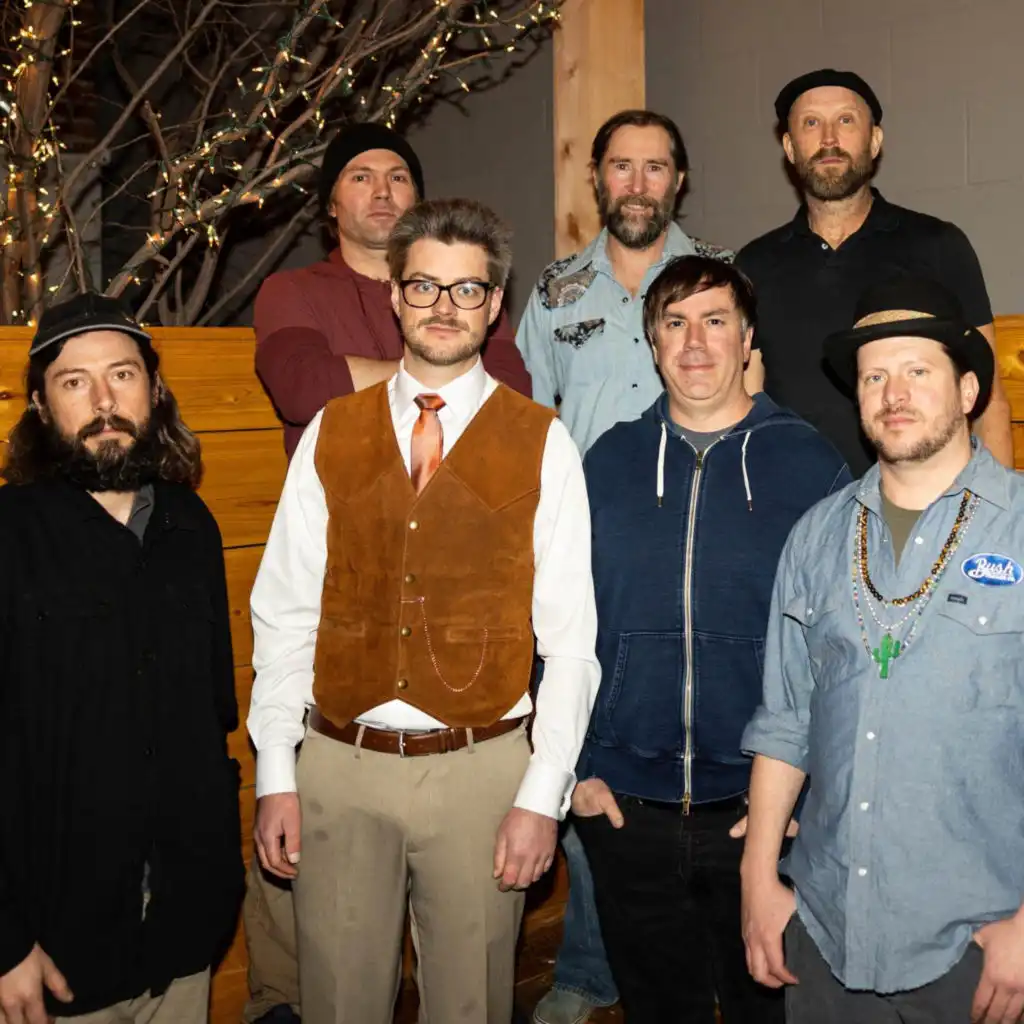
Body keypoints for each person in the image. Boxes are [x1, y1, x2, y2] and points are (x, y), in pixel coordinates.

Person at [247, 197, 600, 1024]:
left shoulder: (543, 441)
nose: (444, 306)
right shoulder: (331, 430)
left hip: (480, 769)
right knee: (338, 1005)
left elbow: (572, 643)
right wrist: (277, 773)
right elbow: (285, 613)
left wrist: (540, 795)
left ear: (494, 305)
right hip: (339, 764)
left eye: (467, 289)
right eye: (424, 286)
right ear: (395, 296)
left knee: (471, 1007)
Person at [571, 255, 848, 1022]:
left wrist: (812, 794)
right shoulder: (606, 463)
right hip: (625, 811)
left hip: (763, 814)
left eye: (716, 321)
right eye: (675, 323)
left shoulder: (810, 465)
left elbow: (845, 649)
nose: (695, 343)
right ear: (653, 343)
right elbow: (557, 621)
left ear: (748, 339)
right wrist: (579, 771)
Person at [740, 276, 1024, 1023]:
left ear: (968, 391)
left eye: (917, 371)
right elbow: (785, 721)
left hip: (980, 947)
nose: (893, 393)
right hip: (825, 935)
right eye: (874, 377)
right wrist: (757, 880)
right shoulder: (817, 534)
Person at [516, 108, 734, 1024]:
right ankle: (587, 967)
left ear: (678, 179)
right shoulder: (554, 292)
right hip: (591, 557)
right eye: (621, 166)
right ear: (598, 178)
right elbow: (528, 422)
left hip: (698, 549)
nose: (638, 184)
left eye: (655, 166)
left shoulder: (722, 276)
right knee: (581, 750)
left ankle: (714, 957)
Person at [0, 293, 243, 1023]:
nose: (104, 402)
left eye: (122, 374)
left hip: (184, 931)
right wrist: (5, 941)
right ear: (40, 405)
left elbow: (212, 717)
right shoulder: (9, 537)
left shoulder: (191, 526)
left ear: (155, 389)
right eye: (74, 381)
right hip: (53, 951)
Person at [736, 68, 1012, 477]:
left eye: (846, 120)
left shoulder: (938, 246)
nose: (829, 138)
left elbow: (989, 400)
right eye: (811, 123)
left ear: (875, 140)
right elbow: (746, 405)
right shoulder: (754, 264)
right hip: (792, 504)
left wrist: (1002, 510)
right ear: (790, 148)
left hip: (923, 503)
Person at [254, 122, 530, 459]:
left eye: (398, 178)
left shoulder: (465, 288)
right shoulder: (292, 289)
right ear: (331, 203)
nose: (382, 192)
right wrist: (447, 371)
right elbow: (303, 389)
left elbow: (511, 391)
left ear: (416, 200)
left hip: (464, 478)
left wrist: (355, 376)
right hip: (342, 483)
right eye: (361, 177)